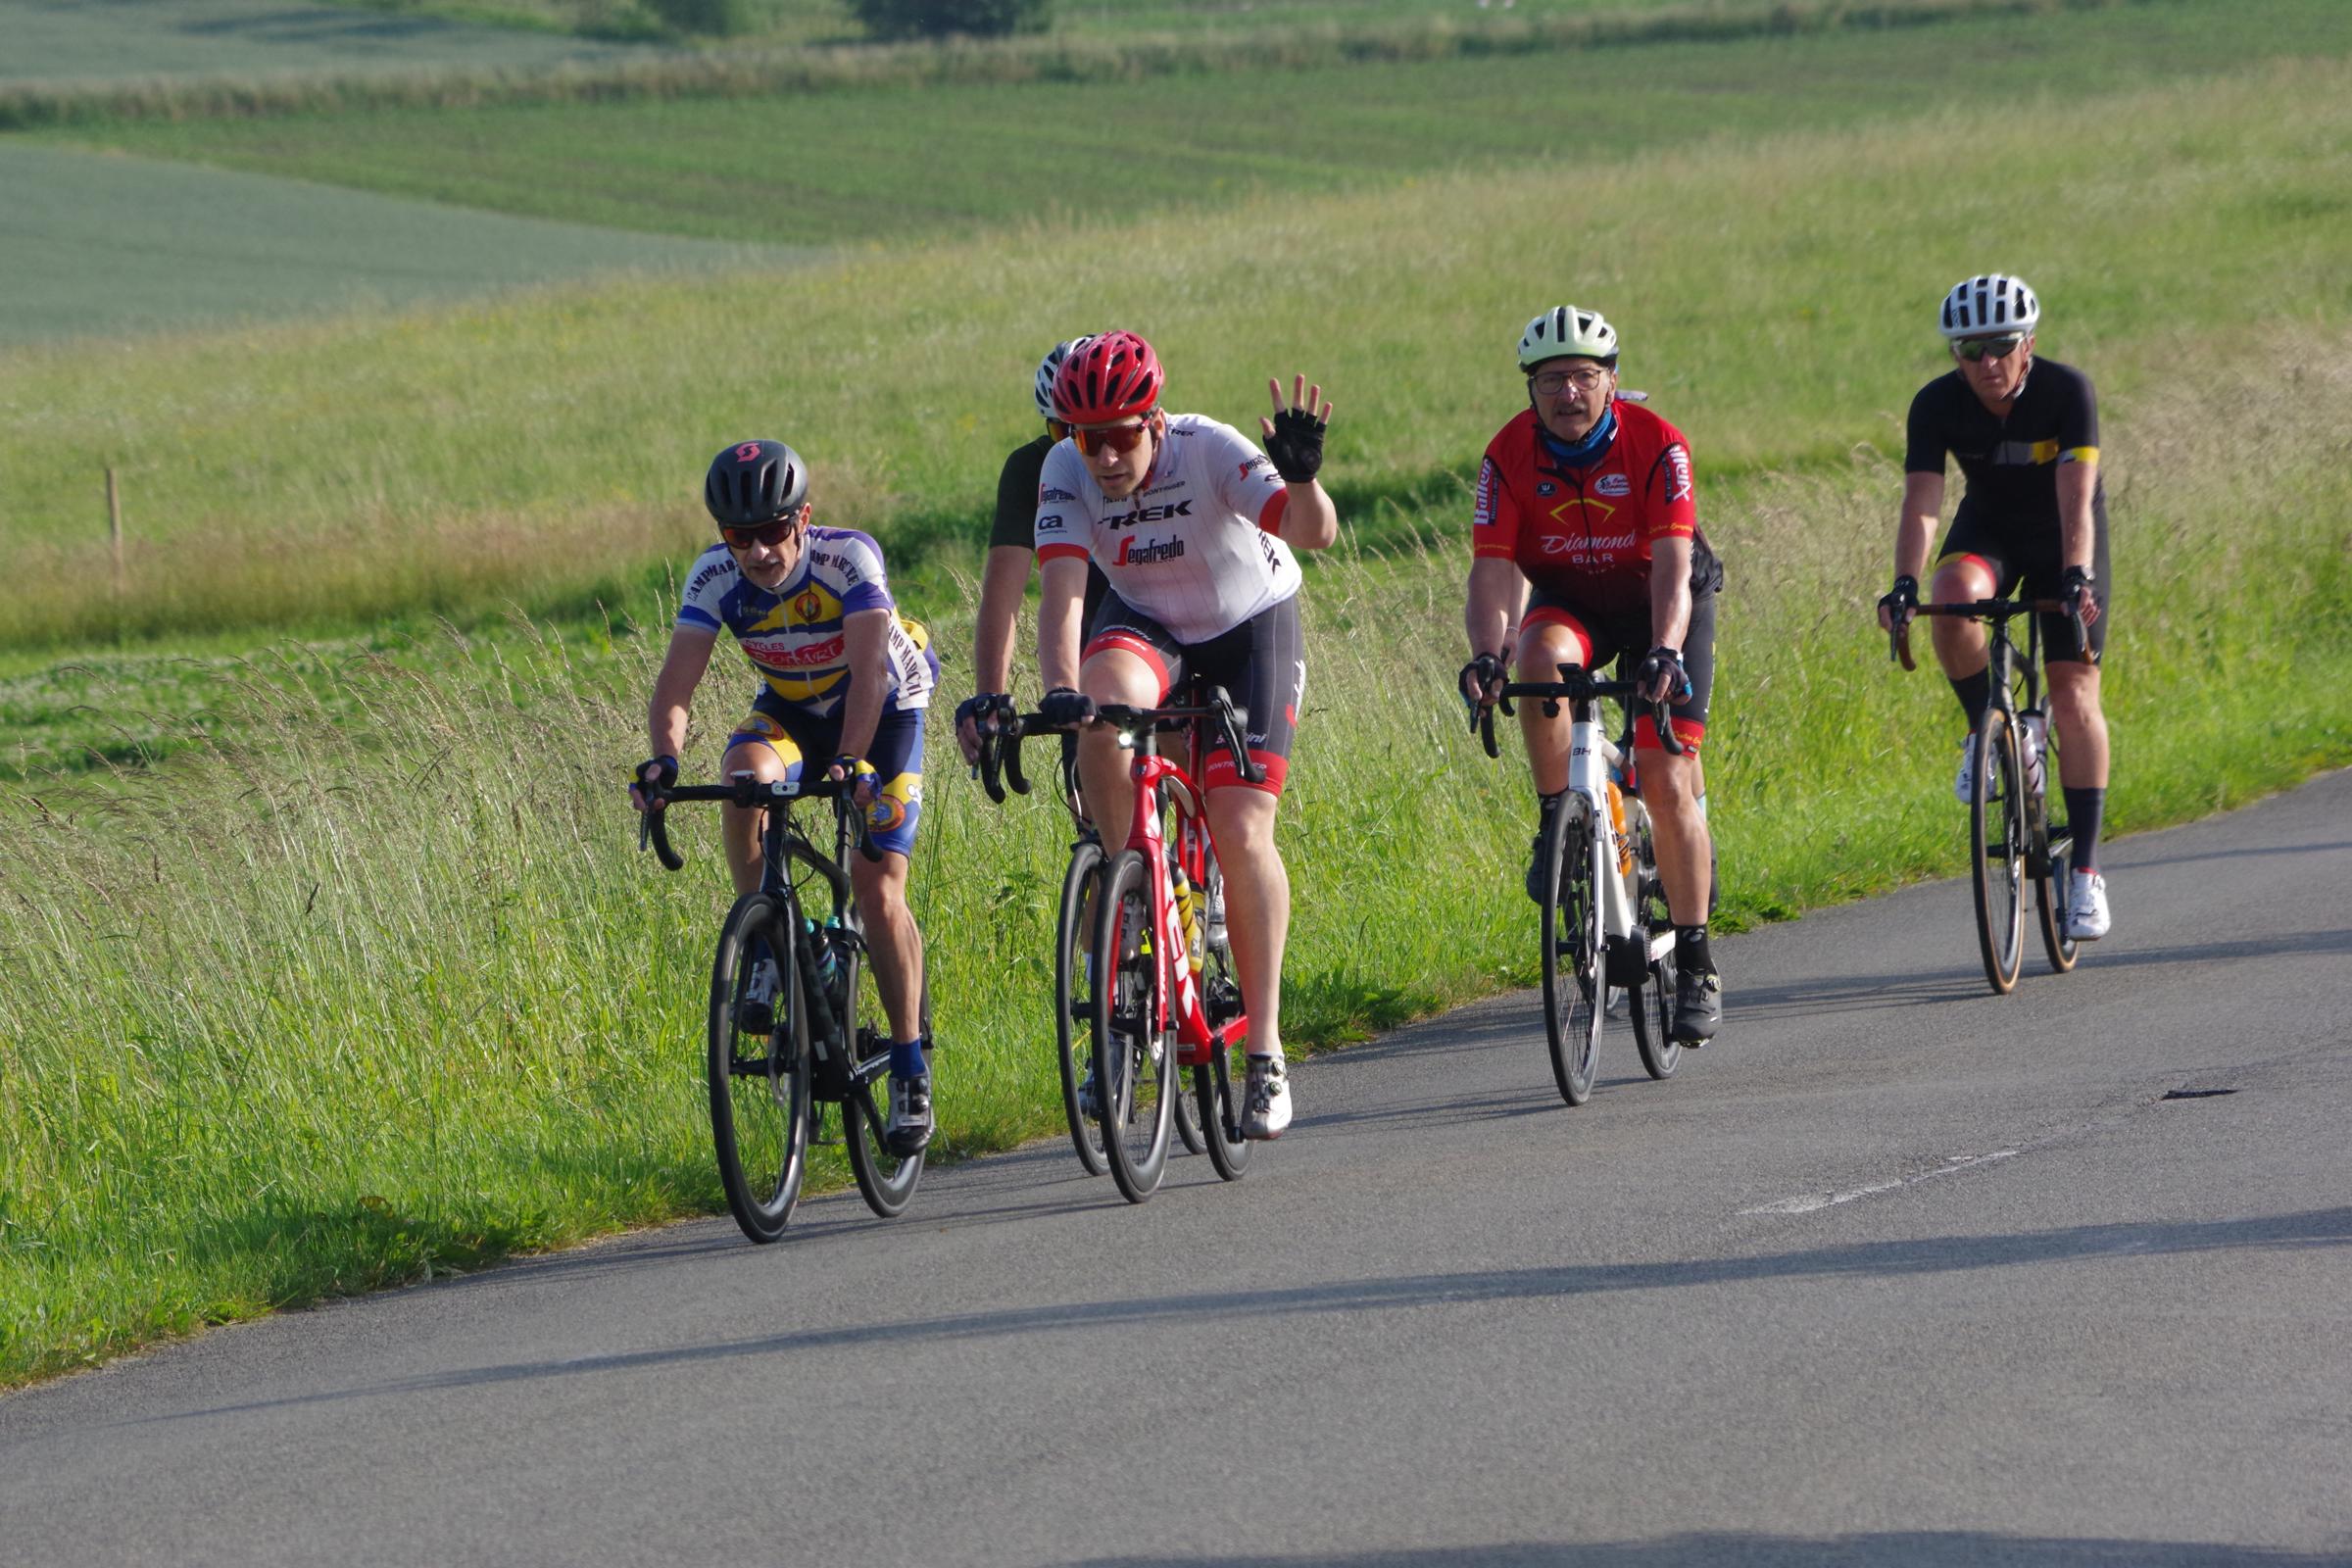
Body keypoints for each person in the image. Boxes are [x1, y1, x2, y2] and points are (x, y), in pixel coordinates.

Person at [1032, 330, 1338, 1139]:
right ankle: (1128, 882)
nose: (1103, 457)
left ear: (1154, 421)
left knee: (1241, 828)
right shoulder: (1064, 469)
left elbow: (1314, 532)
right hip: (1150, 623)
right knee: (1100, 713)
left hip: (1248, 625)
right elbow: (1063, 595)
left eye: (1119, 436)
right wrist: (1060, 691)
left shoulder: (1208, 449)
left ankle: (1265, 1052)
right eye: (1086, 439)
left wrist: (1303, 480)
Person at [632, 439, 942, 1152]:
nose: (760, 551)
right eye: (741, 536)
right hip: (795, 708)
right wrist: (663, 762)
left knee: (877, 887)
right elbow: (676, 684)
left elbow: (870, 676)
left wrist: (851, 763)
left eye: (774, 531)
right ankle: (774, 938)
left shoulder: (848, 559)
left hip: (883, 709)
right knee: (744, 779)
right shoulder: (714, 575)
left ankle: (908, 1065)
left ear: (803, 518)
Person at [1458, 306, 1727, 1043]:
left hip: (1660, 602)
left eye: (1582, 376)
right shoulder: (1506, 455)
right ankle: (1559, 821)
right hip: (1574, 599)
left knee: (1664, 776)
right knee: (1537, 659)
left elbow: (1672, 565)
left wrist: (1665, 649)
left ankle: (1696, 961)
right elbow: (1492, 570)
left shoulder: (1657, 443)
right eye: (1550, 381)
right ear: (1530, 389)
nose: (1567, 393)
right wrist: (1487, 654)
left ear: (1611, 381)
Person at [1877, 274, 2111, 939]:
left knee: (2073, 696)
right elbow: (1923, 501)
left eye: (2001, 345)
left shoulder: (2067, 391)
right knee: (1951, 600)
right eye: (1971, 350)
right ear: (1955, 354)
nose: (1987, 363)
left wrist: (2076, 575)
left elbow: (2077, 494)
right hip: (1992, 531)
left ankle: (2086, 873)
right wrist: (1904, 582)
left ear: (2027, 343)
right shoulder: (1936, 403)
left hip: (2065, 536)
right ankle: (1991, 731)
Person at [954, 335, 1112, 782]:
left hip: (1163, 619)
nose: (1079, 450)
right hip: (1083, 635)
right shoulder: (1032, 468)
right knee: (1088, 791)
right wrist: (990, 696)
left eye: (1098, 431)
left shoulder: (1140, 455)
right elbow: (1002, 594)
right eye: (1064, 433)